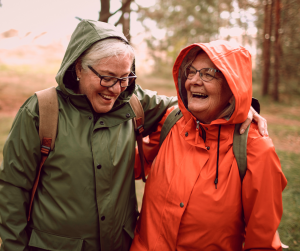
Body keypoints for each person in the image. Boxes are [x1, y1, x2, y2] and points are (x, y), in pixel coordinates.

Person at [0, 20, 266, 251]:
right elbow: (13, 188)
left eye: (125, 77)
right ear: (79, 67)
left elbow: (190, 104)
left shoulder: (134, 103)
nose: (116, 89)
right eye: (107, 78)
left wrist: (240, 107)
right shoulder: (41, 111)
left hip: (121, 245)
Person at [131, 40, 287, 251]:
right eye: (192, 72)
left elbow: (262, 242)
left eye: (207, 74)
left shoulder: (256, 150)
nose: (194, 81)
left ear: (233, 85)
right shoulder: (171, 121)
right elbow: (135, 164)